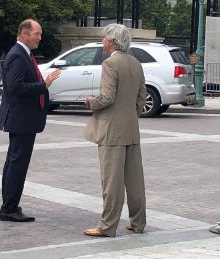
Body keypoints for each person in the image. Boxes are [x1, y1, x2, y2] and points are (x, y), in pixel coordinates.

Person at [83, 24, 147, 237]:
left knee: (111, 181)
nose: (102, 41)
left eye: (104, 38)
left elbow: (107, 97)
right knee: (135, 180)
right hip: (131, 128)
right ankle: (138, 223)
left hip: (112, 130)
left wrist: (91, 102)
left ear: (112, 41)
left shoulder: (110, 63)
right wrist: (131, 115)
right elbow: (141, 98)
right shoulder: (136, 64)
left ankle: (107, 226)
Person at [0, 19, 61, 222]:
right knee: (17, 164)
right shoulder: (17, 55)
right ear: (24, 34)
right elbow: (15, 88)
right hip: (21, 119)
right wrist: (44, 84)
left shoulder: (23, 54)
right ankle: (9, 208)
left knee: (14, 162)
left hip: (22, 119)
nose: (40, 38)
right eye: (37, 34)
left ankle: (10, 205)